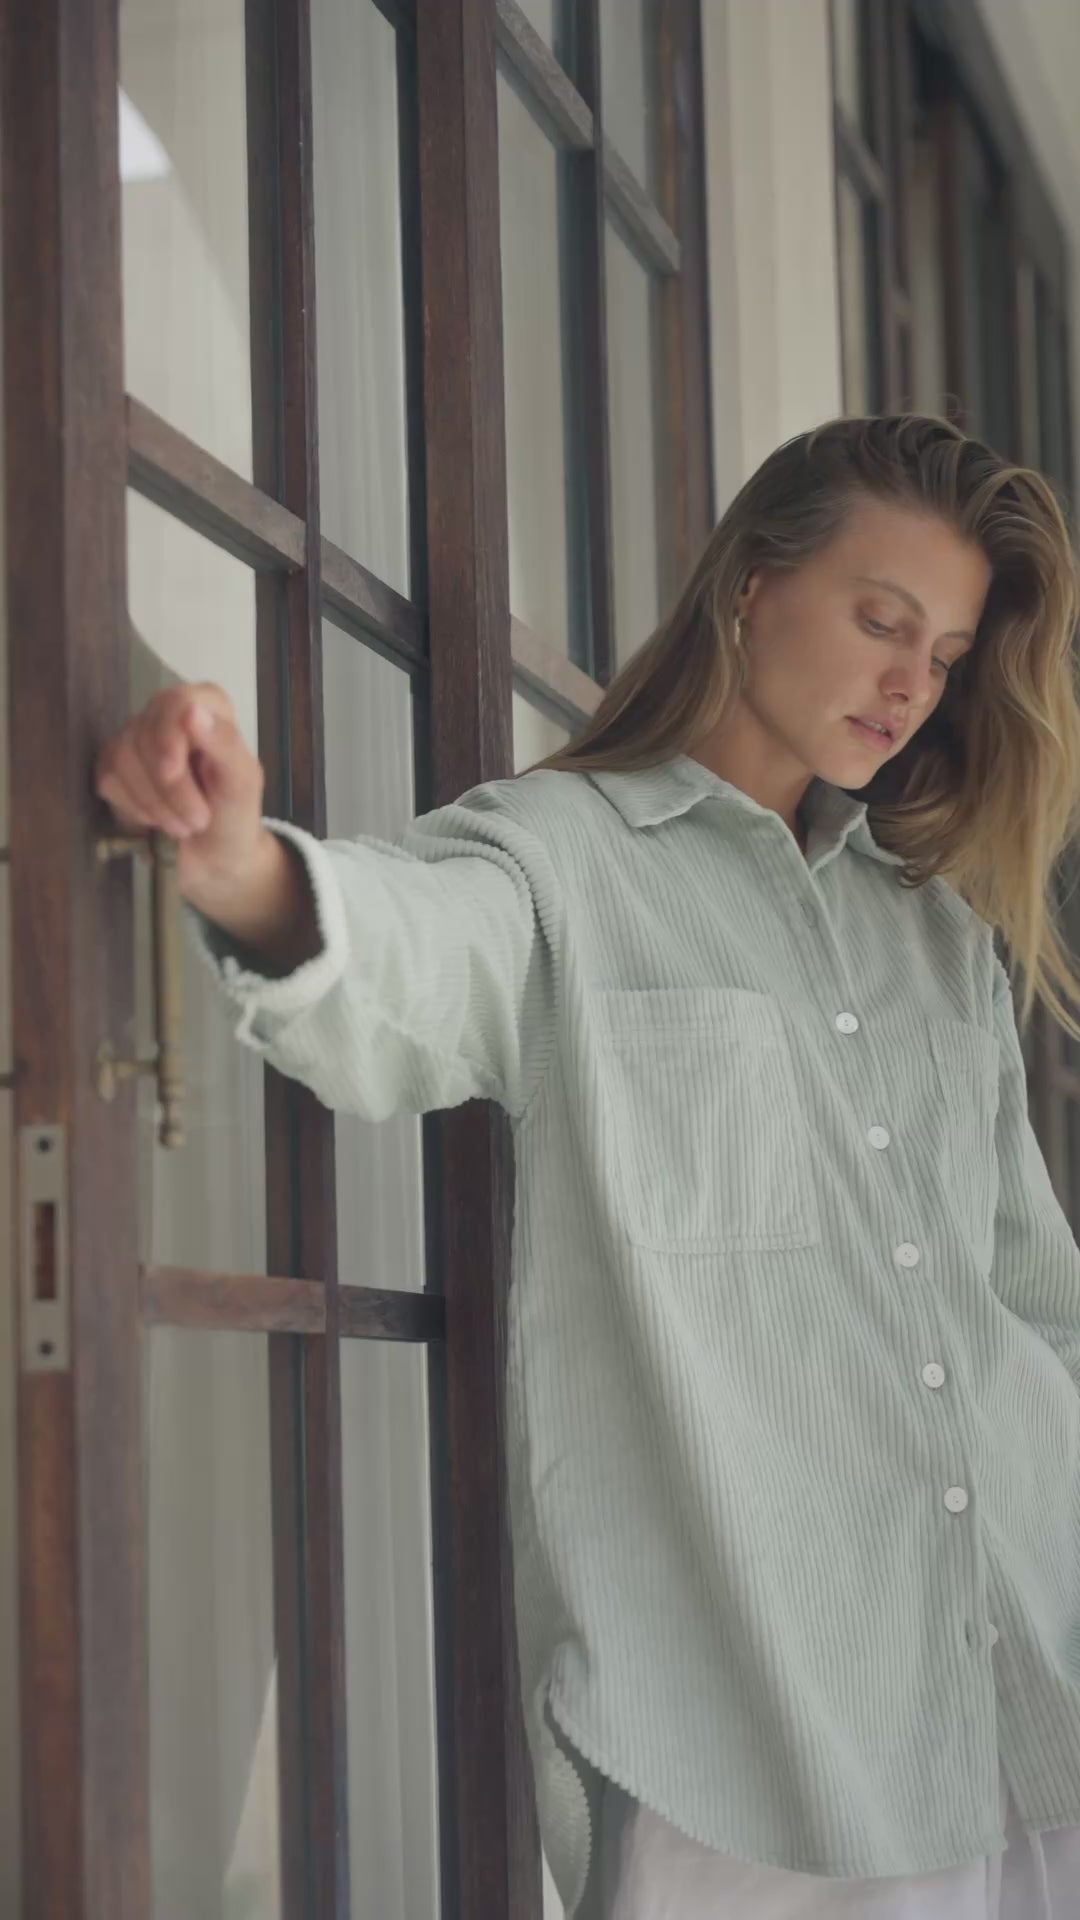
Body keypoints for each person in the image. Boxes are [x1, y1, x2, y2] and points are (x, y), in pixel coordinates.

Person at [96, 414, 1080, 1918]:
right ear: (752, 585)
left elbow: (1034, 1299)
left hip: (1038, 1700)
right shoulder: (561, 861)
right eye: (882, 621)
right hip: (754, 1774)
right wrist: (237, 860)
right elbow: (405, 960)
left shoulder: (934, 939)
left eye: (943, 654)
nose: (909, 682)